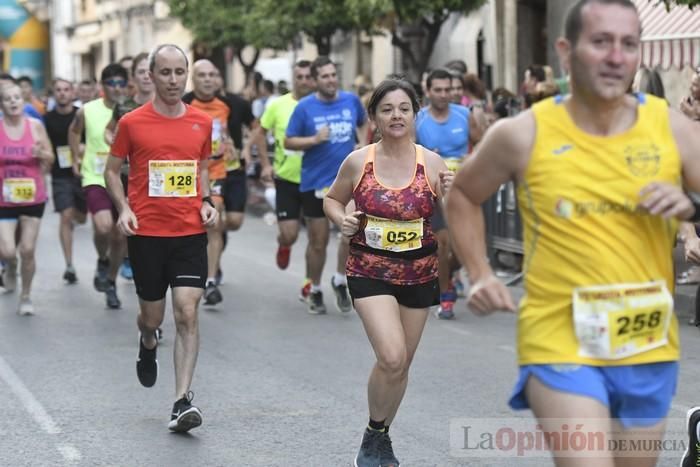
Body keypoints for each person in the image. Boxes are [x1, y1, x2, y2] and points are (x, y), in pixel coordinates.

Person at [446, 1, 700, 464]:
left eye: (628, 45)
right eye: (600, 42)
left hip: (646, 341)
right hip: (559, 338)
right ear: (566, 51)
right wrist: (480, 272)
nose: (616, 57)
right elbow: (462, 194)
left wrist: (691, 206)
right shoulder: (521, 134)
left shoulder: (671, 127)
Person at [323, 77, 452, 467]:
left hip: (420, 273)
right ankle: (375, 436)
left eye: (404, 109)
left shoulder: (430, 162)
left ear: (416, 114)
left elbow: (451, 213)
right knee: (392, 356)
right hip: (369, 270)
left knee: (401, 367)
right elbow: (332, 199)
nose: (396, 116)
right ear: (375, 117)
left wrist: (453, 190)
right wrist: (342, 219)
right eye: (387, 109)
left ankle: (378, 435)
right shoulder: (359, 161)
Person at [105, 43, 217, 432]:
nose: (173, 80)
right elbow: (111, 170)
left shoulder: (202, 122)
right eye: (165, 72)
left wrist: (206, 200)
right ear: (151, 76)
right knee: (151, 317)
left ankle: (181, 400)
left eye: (178, 72)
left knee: (187, 311)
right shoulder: (132, 123)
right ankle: (148, 341)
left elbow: (201, 167)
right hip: (147, 233)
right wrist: (124, 208)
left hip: (189, 232)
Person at [285, 56, 368, 314]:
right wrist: (313, 139)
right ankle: (315, 288)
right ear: (315, 80)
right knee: (318, 242)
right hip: (316, 183)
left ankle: (340, 280)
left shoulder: (351, 100)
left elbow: (364, 122)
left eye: (333, 75)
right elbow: (289, 141)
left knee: (349, 234)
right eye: (325, 76)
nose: (331, 80)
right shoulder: (304, 108)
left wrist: (362, 143)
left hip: (348, 181)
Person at [415, 68, 483, 319]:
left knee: (465, 249)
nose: (444, 95)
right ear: (428, 91)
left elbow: (482, 145)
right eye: (438, 90)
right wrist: (424, 155)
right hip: (432, 191)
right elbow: (407, 152)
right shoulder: (419, 119)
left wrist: (471, 159)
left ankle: (448, 273)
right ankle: (445, 296)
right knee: (441, 245)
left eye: (447, 89)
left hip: (463, 191)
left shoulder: (464, 115)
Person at [69, 64, 129, 309]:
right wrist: (75, 157)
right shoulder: (87, 110)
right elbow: (74, 132)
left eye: (120, 84)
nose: (116, 89)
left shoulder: (131, 111)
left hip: (124, 177)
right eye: (111, 84)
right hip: (95, 175)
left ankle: (111, 281)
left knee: (119, 234)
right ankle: (102, 259)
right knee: (103, 227)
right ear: (102, 86)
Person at [254, 60, 314, 270]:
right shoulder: (278, 105)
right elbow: (260, 133)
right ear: (293, 79)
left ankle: (310, 284)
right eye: (300, 77)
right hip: (287, 178)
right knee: (290, 234)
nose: (304, 81)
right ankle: (284, 245)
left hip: (316, 180)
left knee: (318, 240)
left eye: (308, 76)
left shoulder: (322, 105)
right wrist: (265, 165)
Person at [0, 83, 53, 314]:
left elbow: (50, 157)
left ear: (23, 101)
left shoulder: (36, 127)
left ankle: (26, 296)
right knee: (9, 251)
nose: (13, 102)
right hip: (4, 199)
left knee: (28, 250)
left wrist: (41, 154)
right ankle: (10, 268)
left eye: (17, 98)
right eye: (7, 99)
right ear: (1, 104)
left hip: (32, 196)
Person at [104, 52, 155, 282]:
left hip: (155, 180)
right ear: (133, 77)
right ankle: (112, 278)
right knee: (118, 234)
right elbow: (108, 130)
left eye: (148, 71)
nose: (145, 76)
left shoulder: (170, 106)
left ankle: (149, 278)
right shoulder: (124, 107)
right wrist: (115, 143)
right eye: (140, 72)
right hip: (126, 177)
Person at [44, 78, 86, 283]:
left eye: (66, 90)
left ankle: (78, 217)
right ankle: (69, 265)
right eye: (58, 90)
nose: (62, 93)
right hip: (60, 175)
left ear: (72, 92)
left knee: (81, 217)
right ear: (53, 94)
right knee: (65, 216)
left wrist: (82, 150)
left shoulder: (81, 115)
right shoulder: (47, 119)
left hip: (83, 173)